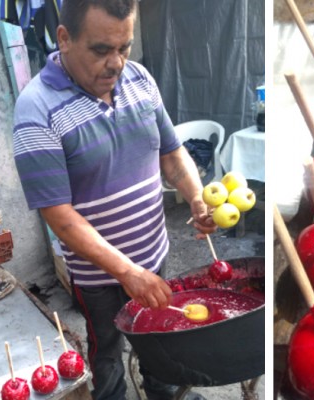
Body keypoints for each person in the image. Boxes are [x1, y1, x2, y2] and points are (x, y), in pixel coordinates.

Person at [12, 0, 216, 398]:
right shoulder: (36, 110)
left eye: (124, 47)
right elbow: (60, 216)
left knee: (161, 338)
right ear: (65, 38)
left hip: (153, 257)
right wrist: (126, 272)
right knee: (106, 352)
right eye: (101, 50)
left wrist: (196, 197)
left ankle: (165, 392)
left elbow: (172, 155)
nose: (117, 63)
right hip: (100, 280)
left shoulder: (139, 79)